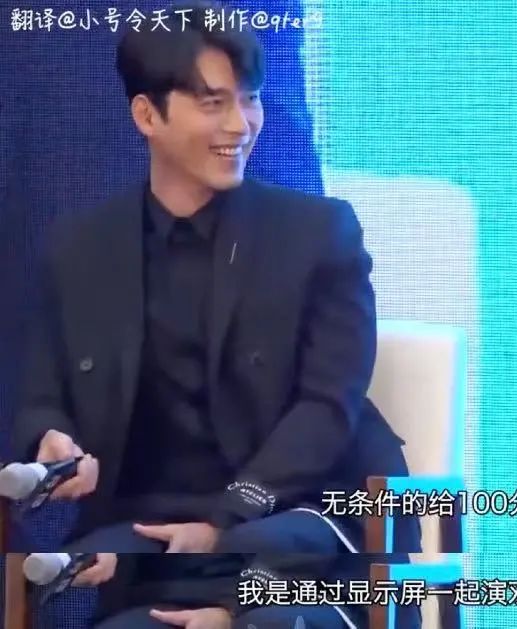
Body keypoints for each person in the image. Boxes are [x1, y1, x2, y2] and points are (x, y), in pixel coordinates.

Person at [11, 3, 419, 627]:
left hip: (294, 527)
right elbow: (41, 399)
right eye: (212, 103)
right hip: (150, 540)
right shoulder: (80, 249)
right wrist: (54, 441)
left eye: (248, 99)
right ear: (147, 115)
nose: (240, 124)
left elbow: (327, 406)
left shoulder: (317, 234)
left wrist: (225, 518)